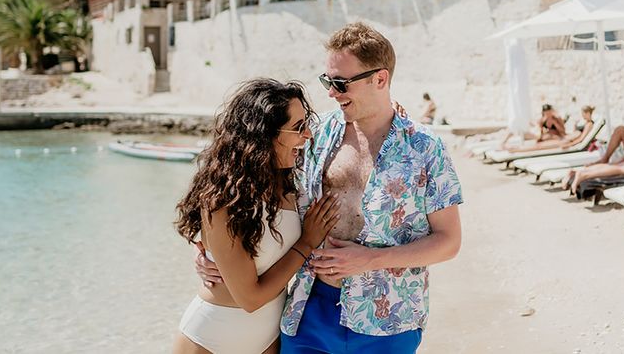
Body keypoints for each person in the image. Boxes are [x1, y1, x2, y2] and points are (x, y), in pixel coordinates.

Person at [197, 22, 463, 353]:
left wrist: (369, 260)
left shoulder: (425, 148)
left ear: (379, 79)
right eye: (328, 81)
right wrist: (215, 253)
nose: (331, 92)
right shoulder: (314, 135)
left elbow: (448, 242)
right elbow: (247, 185)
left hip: (390, 318)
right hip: (308, 311)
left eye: (340, 83)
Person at [173, 79, 340, 354]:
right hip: (209, 340)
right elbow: (250, 298)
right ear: (265, 133)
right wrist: (306, 243)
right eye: (299, 127)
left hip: (269, 338)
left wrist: (390, 113)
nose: (308, 135)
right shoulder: (222, 201)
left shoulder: (289, 184)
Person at [503, 105, 596, 155]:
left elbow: (581, 139)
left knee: (540, 147)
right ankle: (516, 149)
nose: (582, 115)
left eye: (583, 113)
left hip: (566, 140)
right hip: (566, 138)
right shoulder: (584, 123)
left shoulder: (589, 124)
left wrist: (569, 144)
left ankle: (516, 150)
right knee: (539, 145)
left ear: (588, 113)